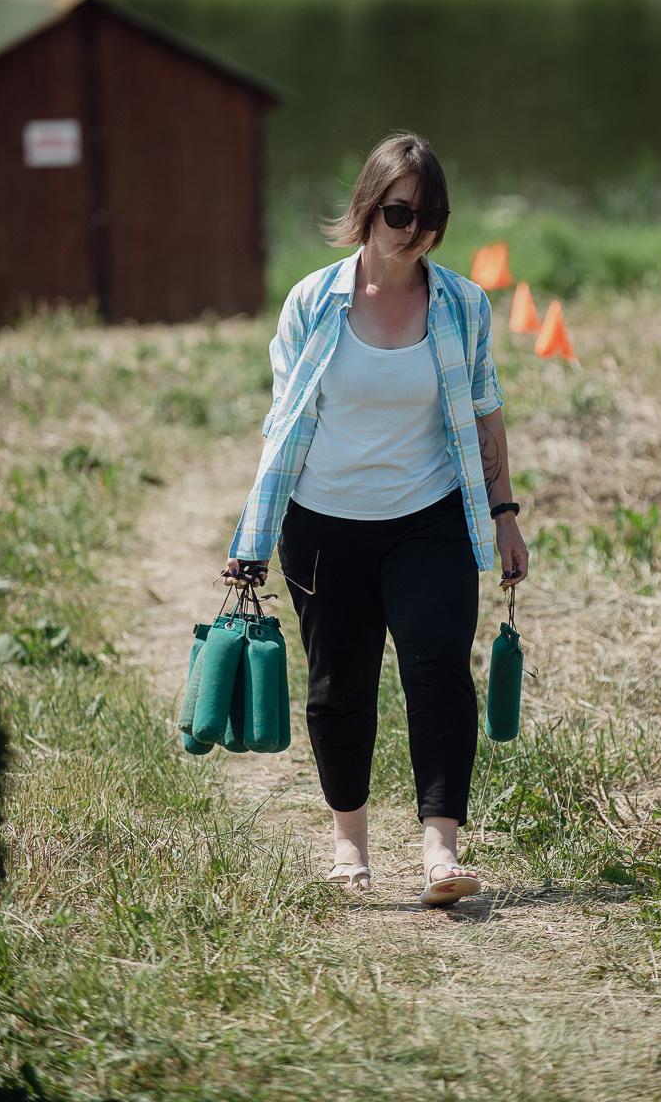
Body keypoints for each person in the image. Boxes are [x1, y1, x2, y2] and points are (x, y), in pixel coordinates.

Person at [224, 132, 528, 906]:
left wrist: (505, 513)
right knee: (339, 686)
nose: (414, 231)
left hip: (429, 517)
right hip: (324, 523)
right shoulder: (311, 302)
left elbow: (487, 414)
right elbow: (283, 427)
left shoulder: (462, 302)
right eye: (399, 212)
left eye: (431, 217)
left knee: (436, 669)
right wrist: (251, 541)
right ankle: (349, 845)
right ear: (368, 208)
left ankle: (440, 851)